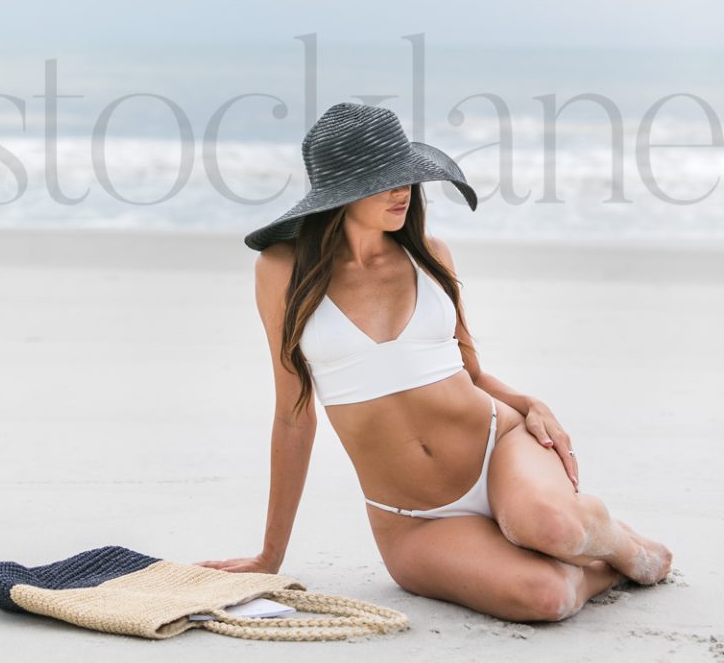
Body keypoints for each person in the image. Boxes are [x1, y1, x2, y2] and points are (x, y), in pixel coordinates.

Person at [199, 102, 672, 622]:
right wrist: (270, 556)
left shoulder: (429, 255)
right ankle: (584, 561)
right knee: (547, 598)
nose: (402, 191)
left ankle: (625, 548)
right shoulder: (282, 270)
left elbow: (470, 374)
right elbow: (293, 415)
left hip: (498, 448)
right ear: (340, 191)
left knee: (551, 528)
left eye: (405, 177)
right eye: (383, 181)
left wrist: (529, 403)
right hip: (412, 518)